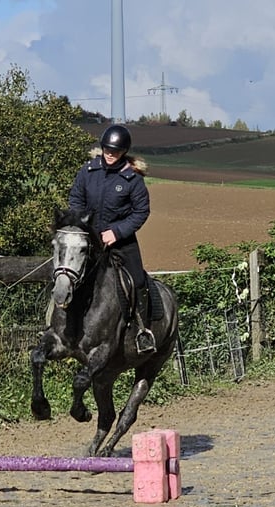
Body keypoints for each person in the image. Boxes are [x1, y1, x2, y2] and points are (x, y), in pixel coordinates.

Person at [68, 124, 156, 353]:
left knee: (138, 281)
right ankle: (59, 325)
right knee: (65, 272)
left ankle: (142, 330)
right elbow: (75, 199)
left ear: (123, 151)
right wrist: (82, 226)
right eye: (107, 149)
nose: (110, 154)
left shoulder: (132, 179)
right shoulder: (87, 171)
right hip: (88, 241)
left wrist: (116, 232)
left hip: (121, 243)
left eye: (115, 151)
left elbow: (141, 212)